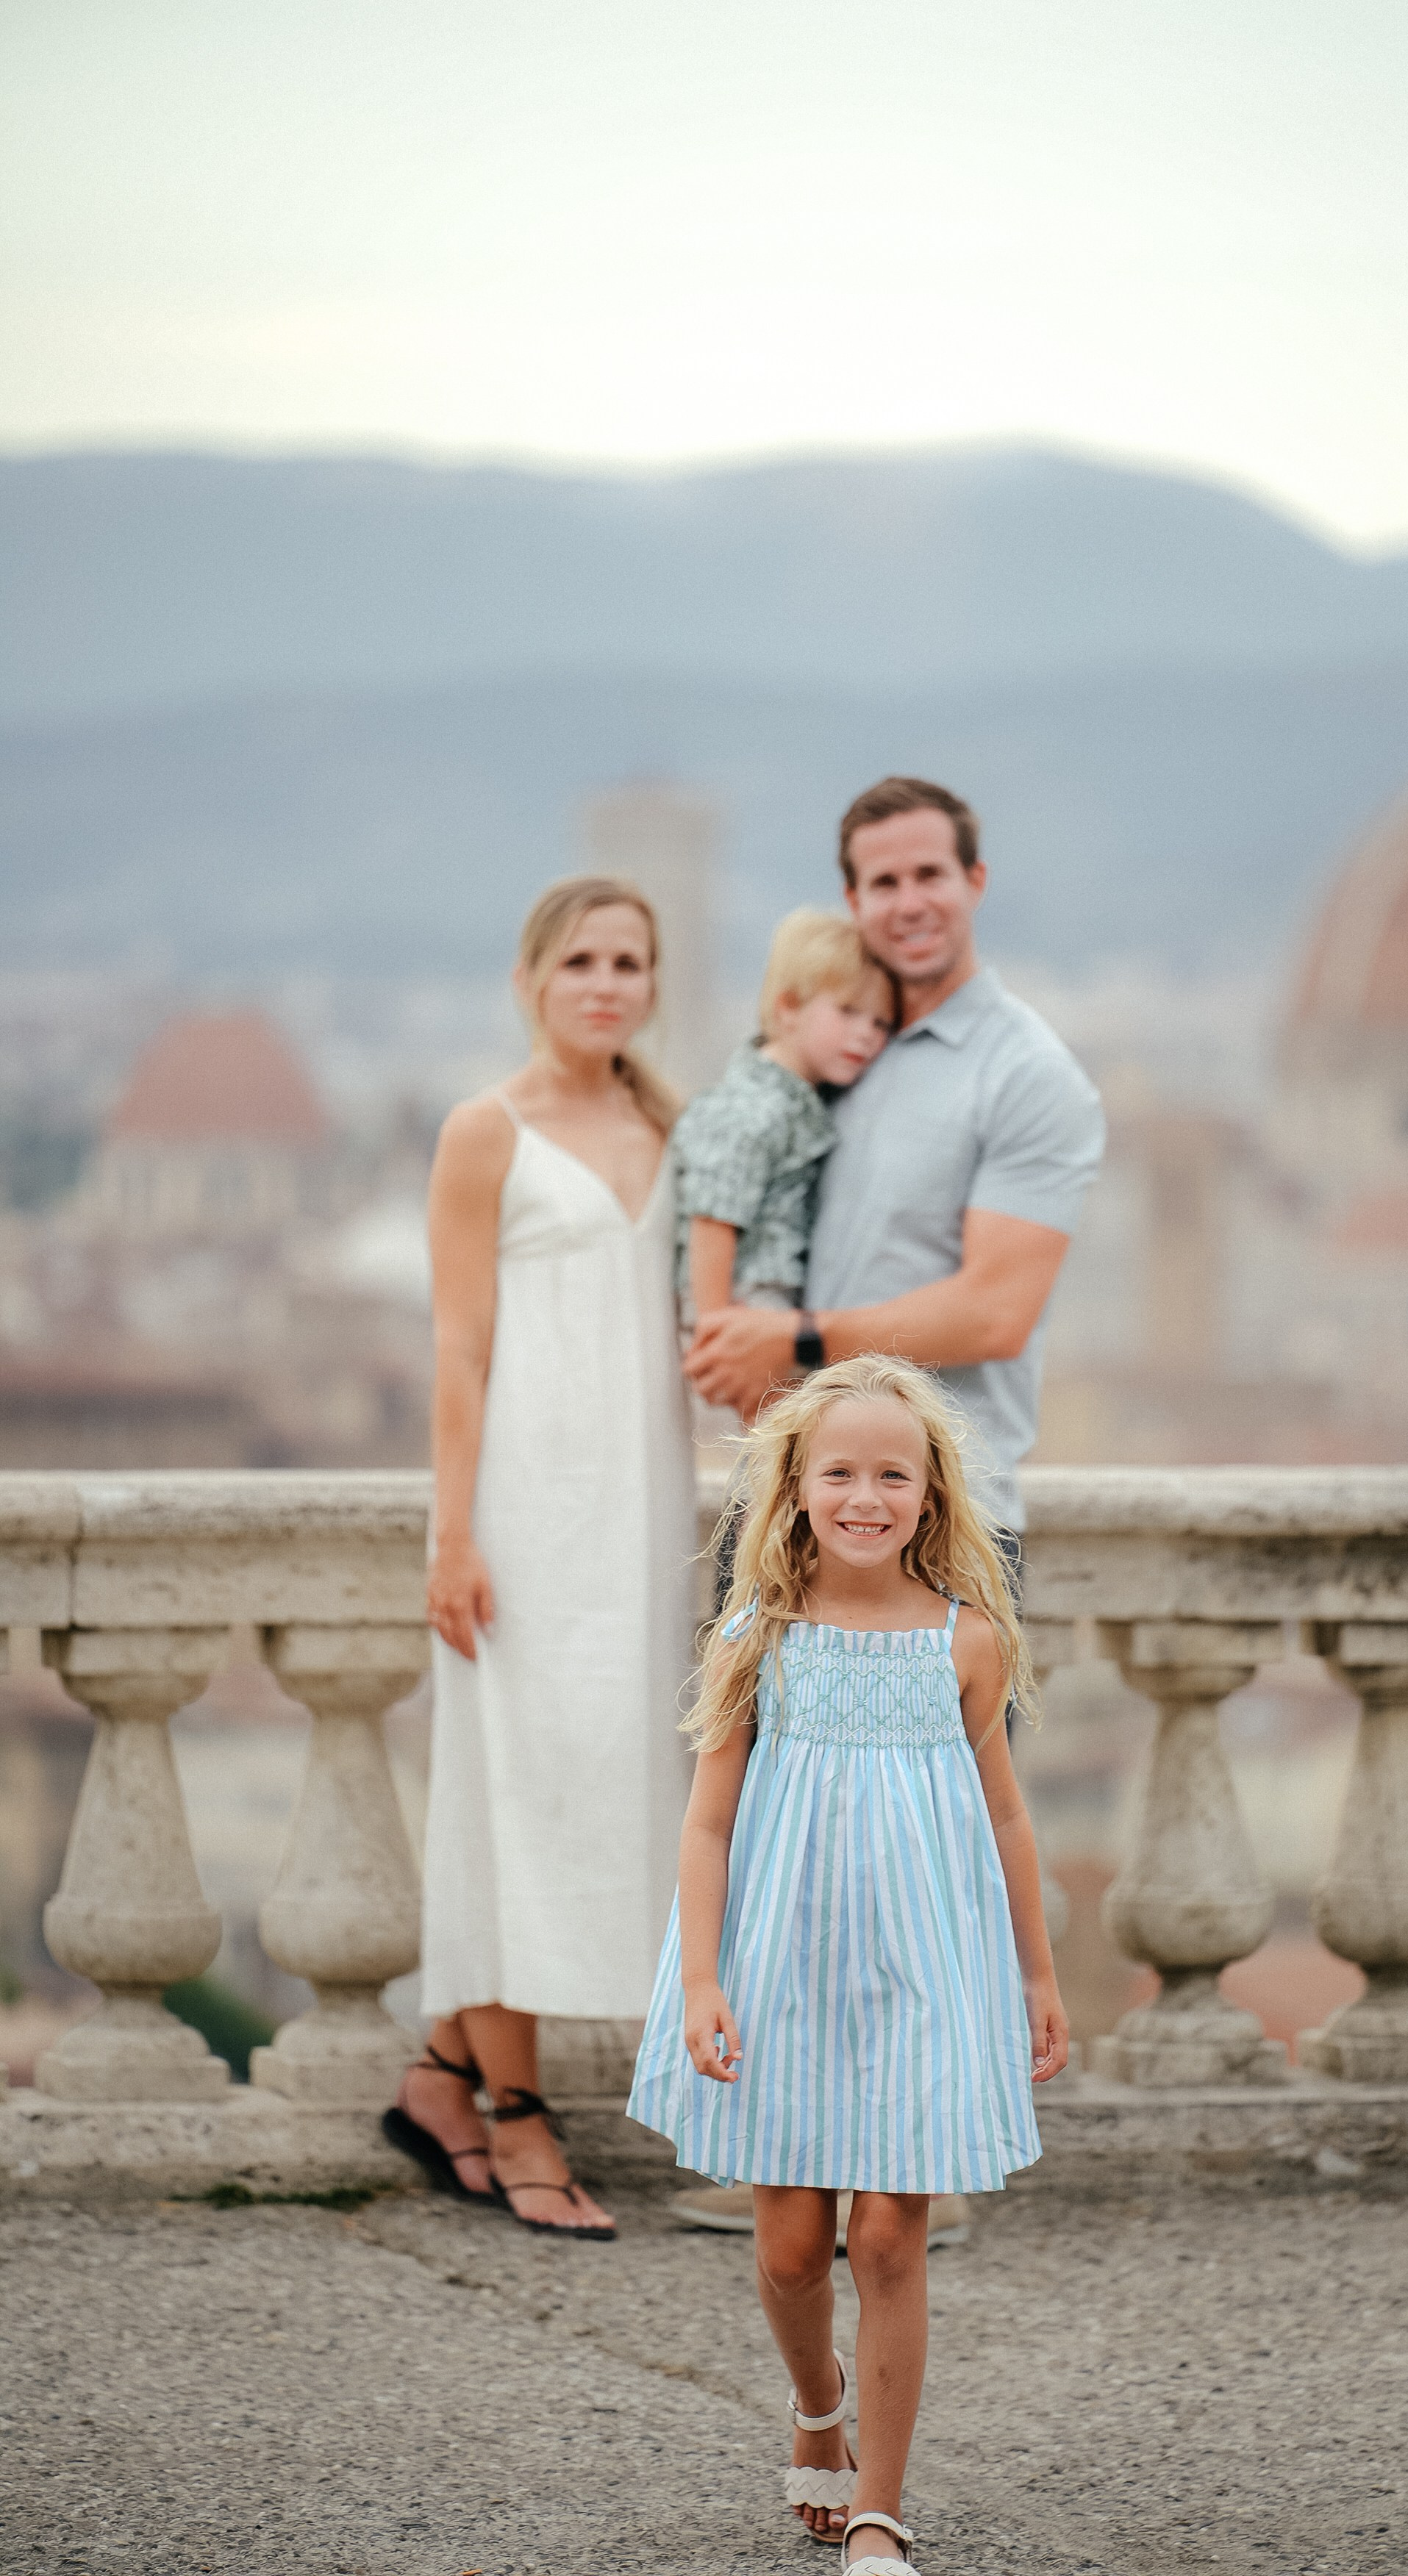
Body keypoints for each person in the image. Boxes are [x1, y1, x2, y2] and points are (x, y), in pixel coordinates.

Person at [627, 1355, 1069, 2569]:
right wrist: (705, 1979)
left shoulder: (967, 1640)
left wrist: (1036, 1976)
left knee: (886, 2234)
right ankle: (816, 2396)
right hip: (783, 1961)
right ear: (795, 1487)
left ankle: (879, 2501)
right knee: (786, 2246)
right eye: (841, 1470)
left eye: (894, 1472)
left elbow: (1008, 1817)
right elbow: (709, 1820)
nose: (866, 1494)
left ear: (931, 1495)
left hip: (926, 1963)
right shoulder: (757, 1632)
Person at [387, 875, 695, 2238]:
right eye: (581, 958)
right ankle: (516, 2115)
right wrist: (453, 1532)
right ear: (531, 977)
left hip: (639, 1516)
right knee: (512, 1795)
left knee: (612, 1788)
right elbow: (458, 1343)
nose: (606, 982)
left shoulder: (673, 1127)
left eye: (629, 959)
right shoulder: (484, 1131)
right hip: (522, 1508)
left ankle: (439, 2079)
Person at [685, 777, 1105, 1556]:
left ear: (973, 882)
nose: (908, 902)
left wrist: (793, 1340)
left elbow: (995, 1313)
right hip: (783, 1511)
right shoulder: (838, 1054)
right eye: (884, 883)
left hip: (938, 1524)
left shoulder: (1026, 1075)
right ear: (852, 899)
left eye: (929, 876)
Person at [675, 909, 897, 1410]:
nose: (865, 1035)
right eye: (848, 1012)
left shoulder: (802, 1102)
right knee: (783, 1432)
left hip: (769, 1296)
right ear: (788, 1008)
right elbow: (714, 1215)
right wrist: (718, 1329)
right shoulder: (751, 1106)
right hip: (746, 1297)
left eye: (880, 1023)